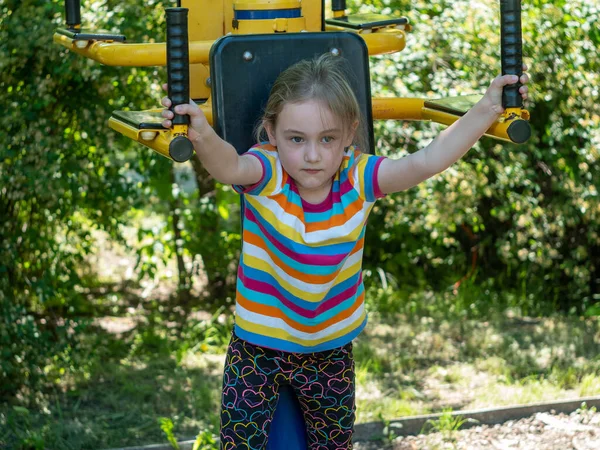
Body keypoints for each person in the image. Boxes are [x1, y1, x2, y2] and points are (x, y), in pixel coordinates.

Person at [161, 54, 529, 449]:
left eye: (327, 138)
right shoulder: (268, 172)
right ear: (271, 132)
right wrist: (200, 133)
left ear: (349, 133)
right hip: (258, 350)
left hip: (330, 351)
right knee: (239, 444)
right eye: (296, 139)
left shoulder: (359, 177)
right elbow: (229, 166)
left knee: (334, 445)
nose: (313, 155)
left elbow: (427, 160)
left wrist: (489, 107)